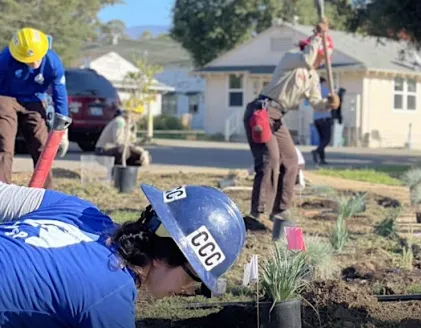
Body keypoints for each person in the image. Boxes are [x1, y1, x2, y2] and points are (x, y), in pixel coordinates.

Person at [0, 181, 246, 327]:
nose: (190, 292)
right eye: (193, 279)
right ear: (162, 256)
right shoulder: (110, 299)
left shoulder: (80, 210)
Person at [243, 19, 340, 222]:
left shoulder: (313, 77)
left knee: (291, 160)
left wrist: (329, 103)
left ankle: (280, 211)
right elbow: (307, 59)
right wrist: (317, 36)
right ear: (318, 51)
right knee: (270, 160)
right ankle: (257, 214)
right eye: (324, 56)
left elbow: (315, 102)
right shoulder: (292, 60)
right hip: (262, 111)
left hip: (278, 117)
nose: (324, 61)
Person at [0, 27, 68, 189]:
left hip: (35, 99)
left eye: (37, 58)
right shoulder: (5, 59)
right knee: (5, 144)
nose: (35, 63)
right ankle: (2, 191)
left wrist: (62, 118)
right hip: (6, 97)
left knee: (42, 145)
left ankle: (44, 192)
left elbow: (59, 90)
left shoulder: (53, 62)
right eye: (29, 60)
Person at [312, 76, 333, 165]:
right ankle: (317, 151)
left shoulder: (314, 91)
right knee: (327, 139)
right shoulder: (325, 90)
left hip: (316, 118)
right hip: (325, 118)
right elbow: (333, 101)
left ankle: (322, 159)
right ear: (323, 82)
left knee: (321, 140)